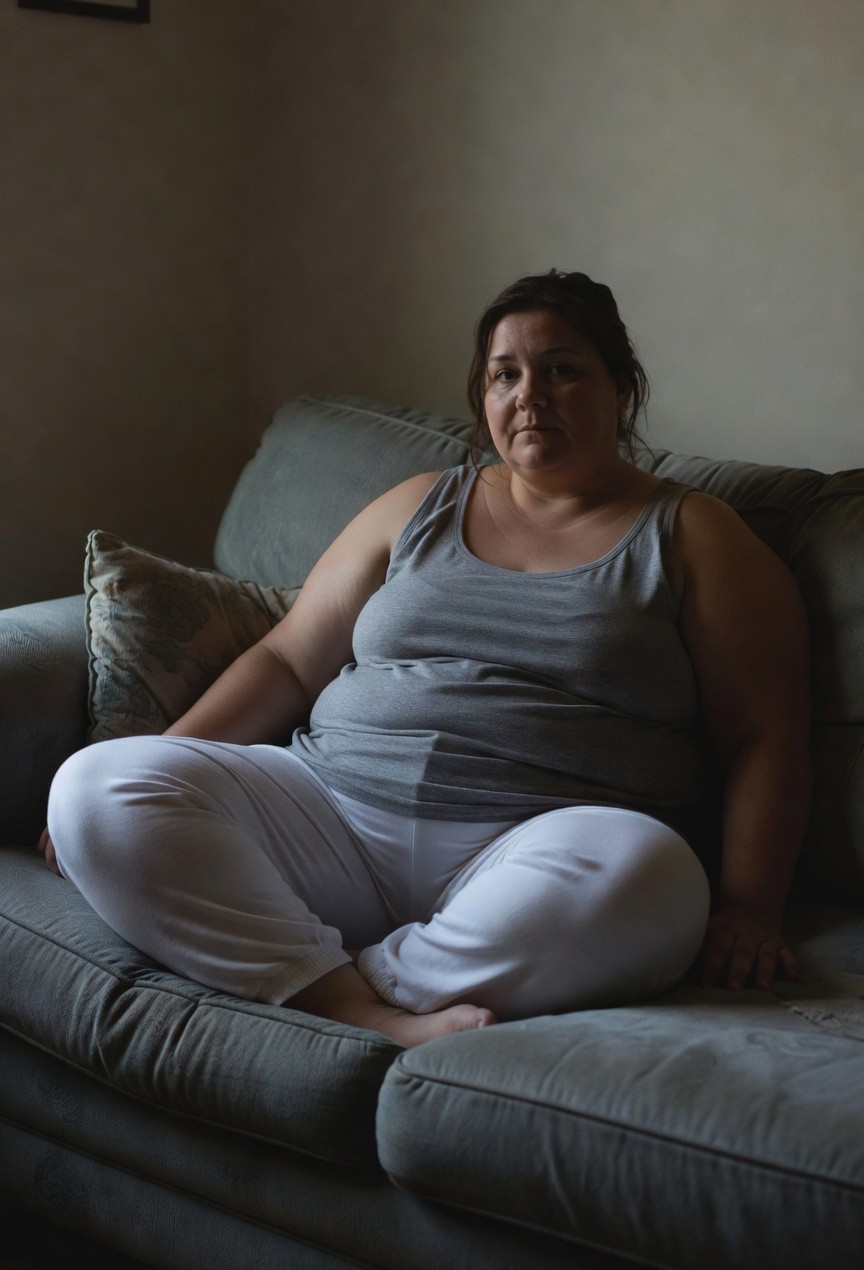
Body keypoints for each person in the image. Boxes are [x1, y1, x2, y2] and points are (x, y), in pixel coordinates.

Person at [43, 271, 811, 1047]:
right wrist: (160, 758)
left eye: (563, 369)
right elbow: (286, 663)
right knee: (90, 786)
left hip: (532, 852)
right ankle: (352, 1005)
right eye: (505, 374)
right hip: (331, 813)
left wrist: (750, 908)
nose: (530, 394)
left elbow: (765, 736)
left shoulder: (693, 534)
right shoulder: (418, 504)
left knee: (657, 878)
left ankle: (349, 977)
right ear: (482, 396)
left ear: (622, 386)